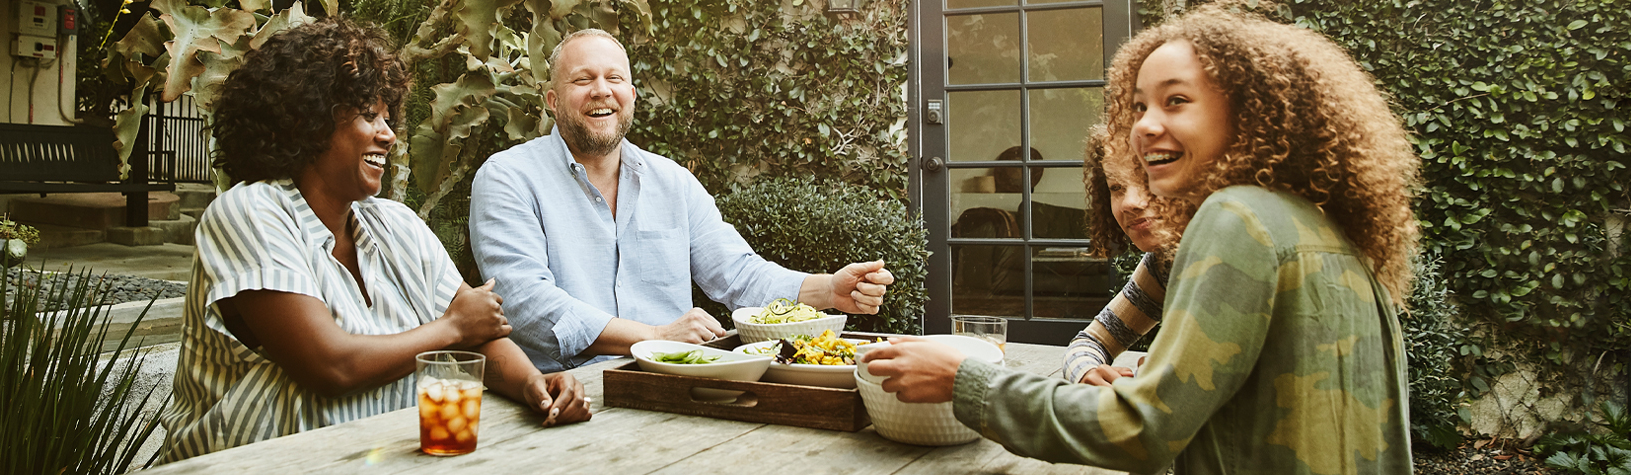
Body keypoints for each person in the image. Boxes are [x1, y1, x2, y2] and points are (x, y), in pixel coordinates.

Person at [863, 7, 1418, 473]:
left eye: (1175, 101)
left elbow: (1140, 431)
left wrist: (964, 379)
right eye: (1139, 106)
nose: (1146, 125)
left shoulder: (1237, 218)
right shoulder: (1315, 223)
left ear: (1251, 108)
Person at [157, 19, 589, 463]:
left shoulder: (395, 225)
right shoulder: (250, 213)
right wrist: (451, 328)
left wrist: (532, 384)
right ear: (307, 120)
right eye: (368, 115)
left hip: (377, 460)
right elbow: (331, 365)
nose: (387, 133)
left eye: (388, 116)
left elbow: (479, 335)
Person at [469, 29, 896, 372]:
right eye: (583, 80)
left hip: (671, 385)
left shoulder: (672, 182)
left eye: (614, 79)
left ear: (631, 96)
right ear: (552, 101)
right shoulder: (508, 177)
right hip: (557, 395)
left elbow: (738, 274)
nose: (601, 90)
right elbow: (525, 303)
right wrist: (653, 336)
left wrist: (829, 290)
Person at [1061, 126, 1183, 387]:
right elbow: (1090, 341)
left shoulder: (1236, 257)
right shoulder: (1165, 263)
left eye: (1147, 179)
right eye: (1116, 187)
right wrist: (1086, 372)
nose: (1129, 202)